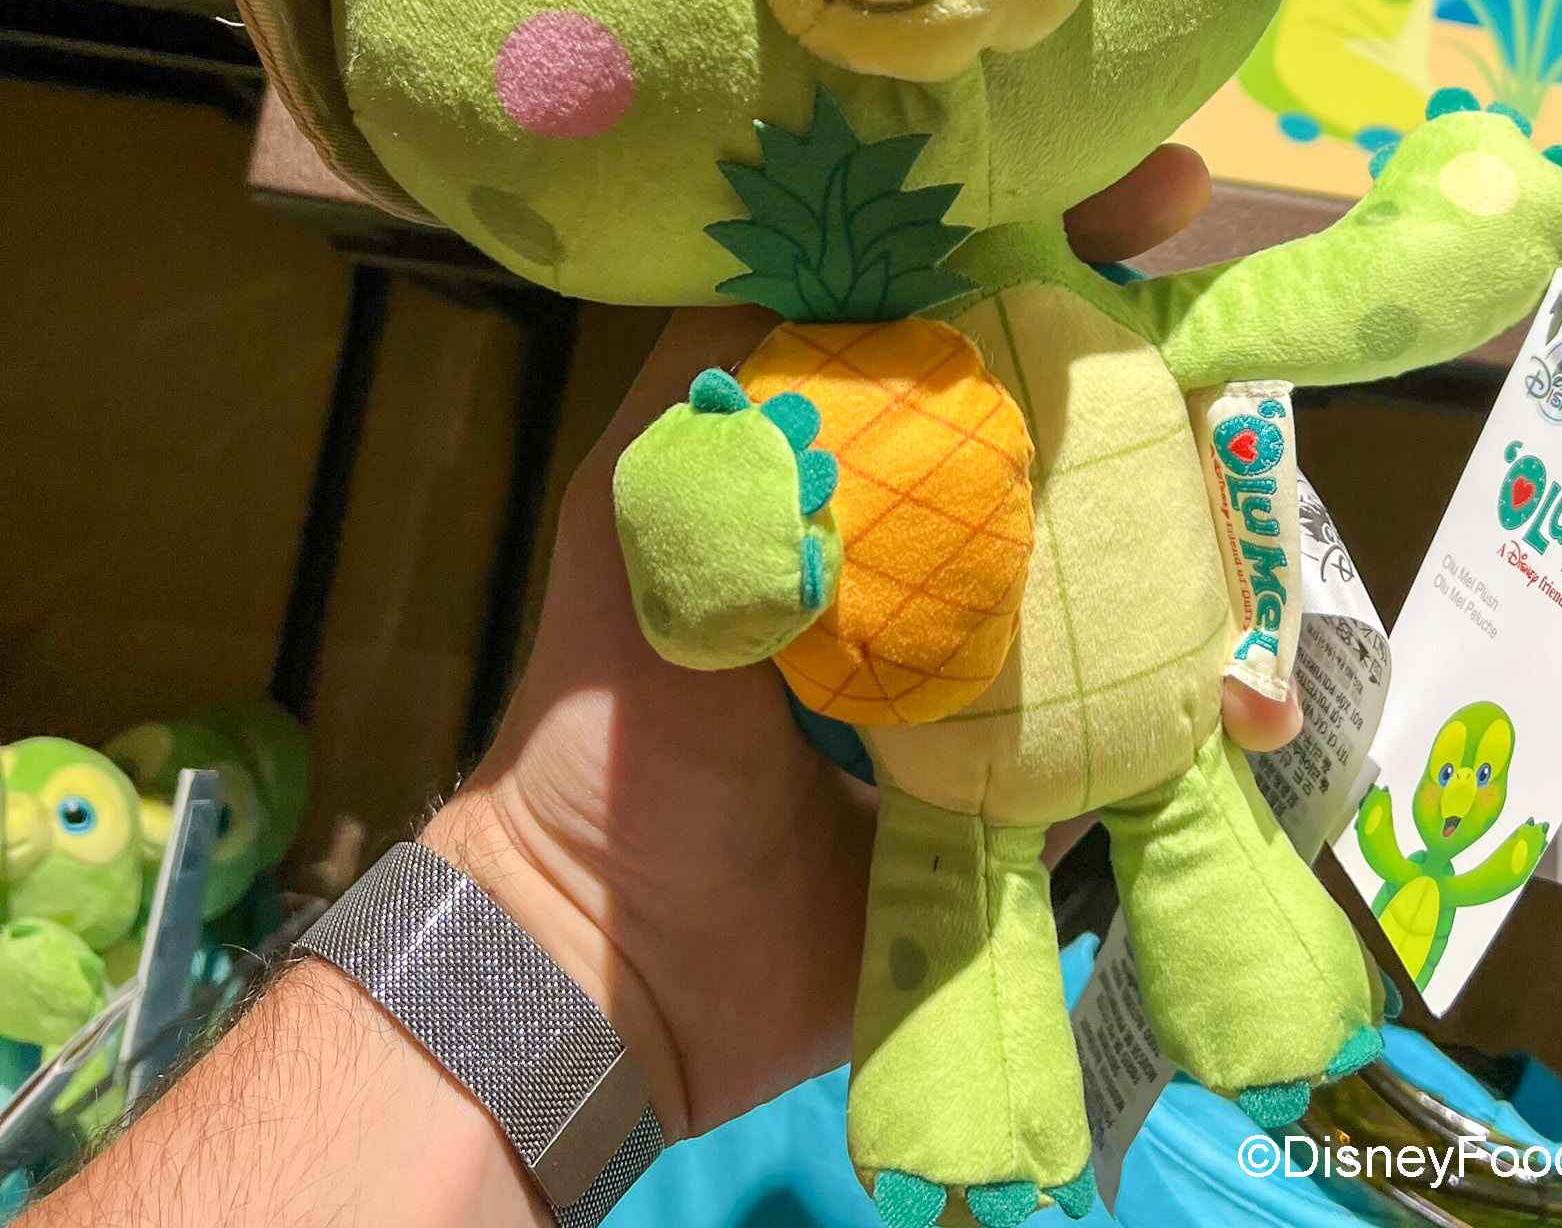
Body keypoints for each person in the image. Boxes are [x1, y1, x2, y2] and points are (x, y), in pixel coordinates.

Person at [31, 145, 1303, 1228]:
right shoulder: (807, 366)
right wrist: (574, 905)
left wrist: (570, 912)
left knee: (1162, 835)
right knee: (988, 885)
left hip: (1036, 761)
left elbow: (1324, 298)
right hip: (945, 798)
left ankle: (1248, 983)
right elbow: (687, 543)